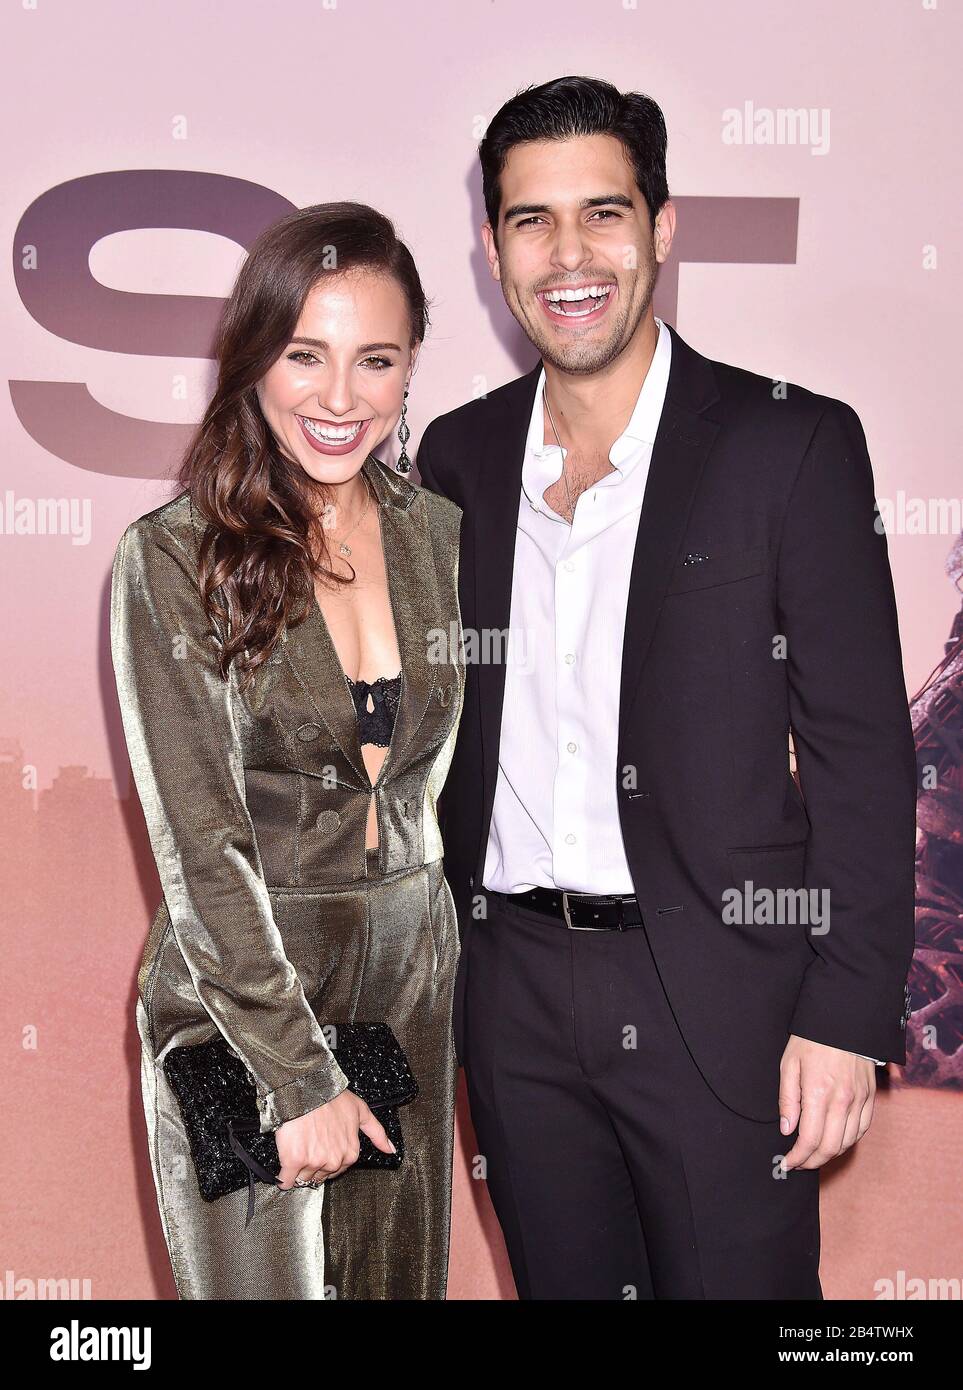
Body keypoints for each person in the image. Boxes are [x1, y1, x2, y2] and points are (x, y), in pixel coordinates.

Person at [416, 75, 916, 1300]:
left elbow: (863, 753)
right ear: (492, 250)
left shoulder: (789, 443)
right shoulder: (460, 457)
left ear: (663, 226)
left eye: (605, 213)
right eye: (532, 221)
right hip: (515, 993)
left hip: (720, 990)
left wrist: (850, 1013)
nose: (569, 255)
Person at [110, 203, 465, 1300]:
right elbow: (201, 843)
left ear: (410, 369)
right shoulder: (173, 559)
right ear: (253, 358)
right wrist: (298, 1072)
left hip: (411, 983)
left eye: (376, 360)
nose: (340, 397)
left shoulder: (439, 533)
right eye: (305, 354)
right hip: (243, 999)